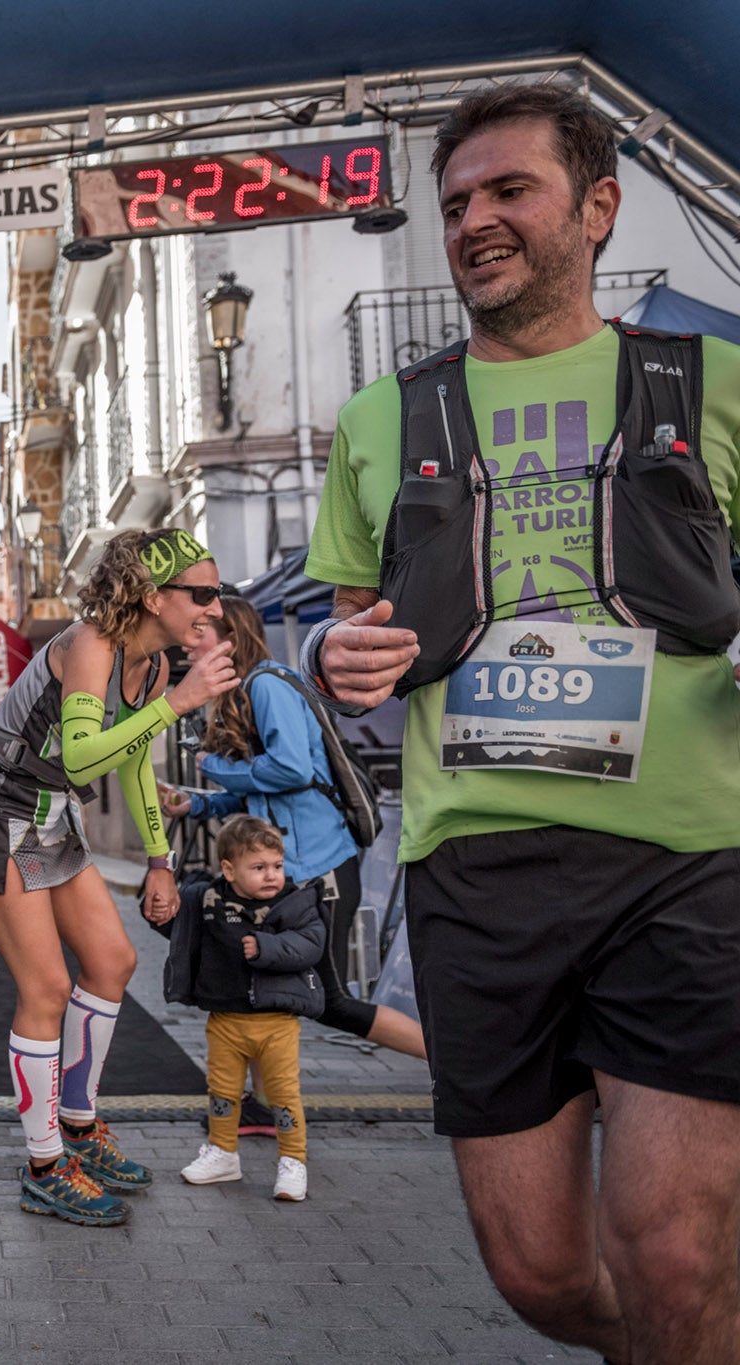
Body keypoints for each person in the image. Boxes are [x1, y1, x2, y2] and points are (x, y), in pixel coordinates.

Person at [304, 84, 740, 1364]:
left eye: (508, 192)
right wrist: (341, 657)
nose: (473, 222)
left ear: (595, 208)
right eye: (453, 205)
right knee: (542, 1276)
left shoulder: (709, 384)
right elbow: (347, 631)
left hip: (686, 858)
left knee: (667, 1254)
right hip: (474, 872)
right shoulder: (382, 421)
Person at [0, 527, 238, 1226]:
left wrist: (160, 860)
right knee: (46, 987)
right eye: (204, 594)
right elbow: (78, 757)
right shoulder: (92, 644)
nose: (215, 610)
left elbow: (129, 762)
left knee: (113, 958)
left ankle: (78, 1125)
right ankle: (44, 1166)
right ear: (155, 595)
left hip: (47, 812)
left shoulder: (155, 665)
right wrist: (178, 704)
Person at [159, 595, 426, 1061]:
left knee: (332, 1000)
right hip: (293, 869)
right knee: (266, 990)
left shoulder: (267, 686)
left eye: (200, 632)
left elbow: (292, 771)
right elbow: (262, 796)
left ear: (231, 639)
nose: (188, 643)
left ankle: (449, 1065)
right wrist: (196, 806)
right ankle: (263, 1103)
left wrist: (212, 765)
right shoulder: (248, 692)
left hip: (321, 869)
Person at [158, 816, 325, 1201]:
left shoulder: (295, 902)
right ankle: (222, 1153)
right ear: (229, 870)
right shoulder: (209, 898)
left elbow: (311, 943)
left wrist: (266, 949)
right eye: (259, 868)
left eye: (277, 866)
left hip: (277, 1023)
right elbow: (180, 928)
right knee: (222, 1091)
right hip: (225, 1020)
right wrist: (159, 913)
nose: (272, 876)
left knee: (283, 1095)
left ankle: (293, 1161)